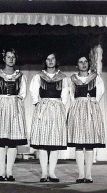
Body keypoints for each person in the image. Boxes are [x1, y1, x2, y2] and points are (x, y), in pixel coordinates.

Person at [0, 48, 27, 181]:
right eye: (8, 56)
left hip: (14, 108)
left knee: (13, 142)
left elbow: (23, 93)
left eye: (13, 57)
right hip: (0, 108)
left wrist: (14, 102)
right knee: (1, 141)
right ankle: (2, 172)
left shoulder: (20, 76)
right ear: (4, 59)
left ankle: (10, 172)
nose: (11, 59)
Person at [29, 52, 68, 182]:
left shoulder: (63, 77)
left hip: (57, 108)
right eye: (47, 59)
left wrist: (59, 107)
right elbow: (34, 93)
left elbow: (65, 95)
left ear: (56, 61)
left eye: (53, 59)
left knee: (55, 143)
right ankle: (44, 173)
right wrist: (39, 105)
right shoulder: (38, 77)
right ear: (44, 61)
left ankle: (52, 173)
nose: (50, 61)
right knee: (43, 143)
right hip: (43, 108)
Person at [67, 55, 105, 183]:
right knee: (78, 144)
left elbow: (100, 92)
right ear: (77, 65)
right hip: (77, 109)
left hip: (91, 109)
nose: (83, 64)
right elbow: (71, 94)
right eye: (80, 62)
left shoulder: (95, 78)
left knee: (89, 144)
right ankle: (80, 174)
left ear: (88, 64)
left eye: (85, 62)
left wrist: (91, 103)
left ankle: (88, 175)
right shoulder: (73, 79)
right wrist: (77, 105)